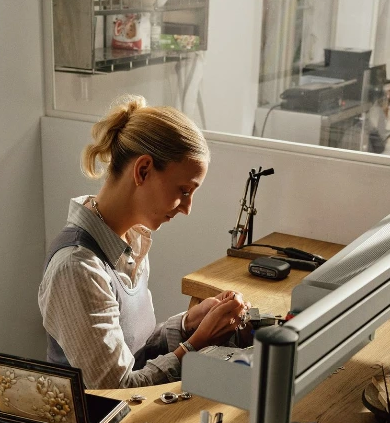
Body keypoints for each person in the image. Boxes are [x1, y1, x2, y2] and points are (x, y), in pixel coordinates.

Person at [38, 95, 250, 389]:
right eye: (184, 190)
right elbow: (116, 391)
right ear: (143, 170)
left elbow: (136, 350)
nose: (187, 208)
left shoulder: (132, 240)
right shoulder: (77, 268)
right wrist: (195, 346)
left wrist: (190, 323)